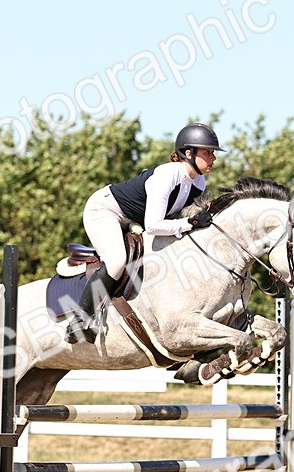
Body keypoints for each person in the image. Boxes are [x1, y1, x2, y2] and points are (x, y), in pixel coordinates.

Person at [64, 122, 225, 343]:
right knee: (117, 260)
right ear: (188, 153)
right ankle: (80, 320)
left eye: (213, 153)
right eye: (208, 152)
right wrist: (190, 223)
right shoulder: (167, 176)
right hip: (105, 210)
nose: (213, 158)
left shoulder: (199, 182)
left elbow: (176, 220)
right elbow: (154, 225)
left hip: (134, 219)